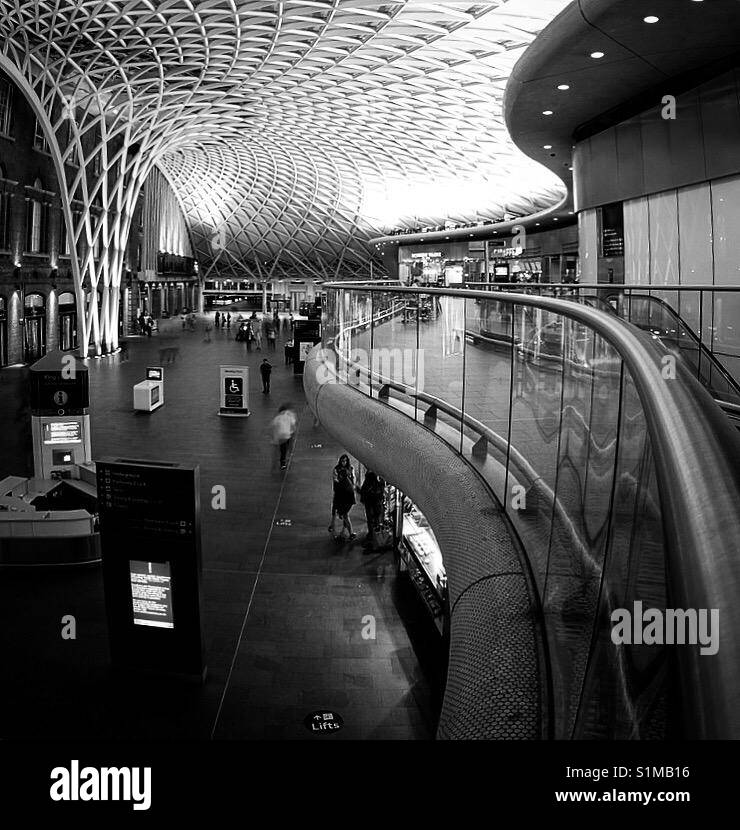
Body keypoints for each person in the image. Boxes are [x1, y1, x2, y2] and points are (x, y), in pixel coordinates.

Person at [330, 454, 356, 541]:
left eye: (345, 461)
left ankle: (345, 531)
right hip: (341, 495)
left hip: (347, 495)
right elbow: (335, 479)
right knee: (343, 514)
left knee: (345, 514)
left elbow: (353, 479)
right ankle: (346, 532)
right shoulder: (337, 469)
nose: (343, 463)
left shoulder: (350, 469)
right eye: (342, 461)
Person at [270, 404, 296, 470]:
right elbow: (293, 425)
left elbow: (273, 426)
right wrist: (293, 432)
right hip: (288, 434)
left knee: (282, 450)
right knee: (288, 447)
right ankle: (289, 455)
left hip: (281, 436)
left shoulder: (277, 418)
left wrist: (274, 438)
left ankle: (282, 463)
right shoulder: (289, 416)